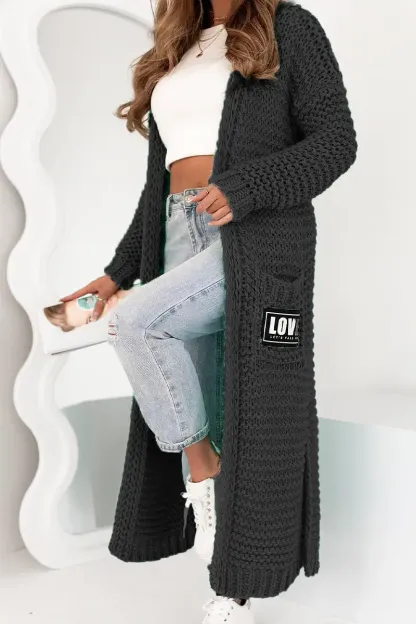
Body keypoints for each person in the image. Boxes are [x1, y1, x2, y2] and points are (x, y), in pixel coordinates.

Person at [61, 1, 357, 622]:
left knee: (148, 332)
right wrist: (116, 273)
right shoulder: (180, 45)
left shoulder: (288, 26)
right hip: (176, 231)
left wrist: (246, 188)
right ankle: (222, 571)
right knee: (203, 396)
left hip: (252, 237)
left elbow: (335, 142)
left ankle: (210, 498)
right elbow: (158, 184)